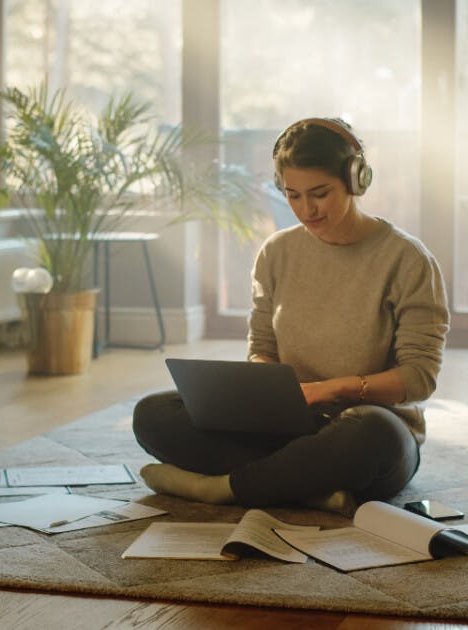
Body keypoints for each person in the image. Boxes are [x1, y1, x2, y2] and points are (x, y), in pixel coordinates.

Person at [132, 117, 449, 516]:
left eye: (319, 194)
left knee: (374, 434)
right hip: (285, 426)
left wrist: (329, 390)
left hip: (362, 429)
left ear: (355, 180)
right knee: (153, 414)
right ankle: (303, 488)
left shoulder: (407, 259)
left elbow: (419, 379)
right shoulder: (277, 252)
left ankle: (225, 487)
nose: (306, 210)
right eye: (292, 195)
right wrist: (265, 388)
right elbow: (261, 348)